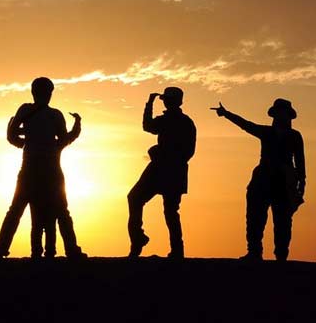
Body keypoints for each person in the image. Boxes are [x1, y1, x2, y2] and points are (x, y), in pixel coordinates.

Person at [0, 77, 86, 259]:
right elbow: (63, 139)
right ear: (49, 93)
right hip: (49, 169)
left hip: (32, 169)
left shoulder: (27, 110)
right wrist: (73, 130)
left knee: (16, 211)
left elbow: (11, 135)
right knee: (60, 212)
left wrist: (27, 142)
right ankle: (72, 250)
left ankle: (1, 251)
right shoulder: (54, 114)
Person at [211, 99, 305, 262]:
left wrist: (301, 183)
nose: (279, 116)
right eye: (277, 113)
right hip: (262, 179)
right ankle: (254, 251)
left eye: (282, 113)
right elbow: (245, 124)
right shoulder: (267, 132)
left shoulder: (294, 136)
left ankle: (281, 255)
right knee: (255, 217)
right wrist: (226, 114)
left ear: (288, 116)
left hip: (283, 182)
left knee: (282, 221)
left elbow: (300, 161)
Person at [127, 87, 196, 259]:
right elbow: (148, 126)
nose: (167, 103)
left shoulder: (180, 122)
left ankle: (169, 248)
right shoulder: (181, 122)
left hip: (166, 169)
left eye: (168, 100)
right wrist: (149, 104)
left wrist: (164, 155)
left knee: (167, 210)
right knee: (162, 208)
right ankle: (143, 241)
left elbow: (148, 126)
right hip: (165, 169)